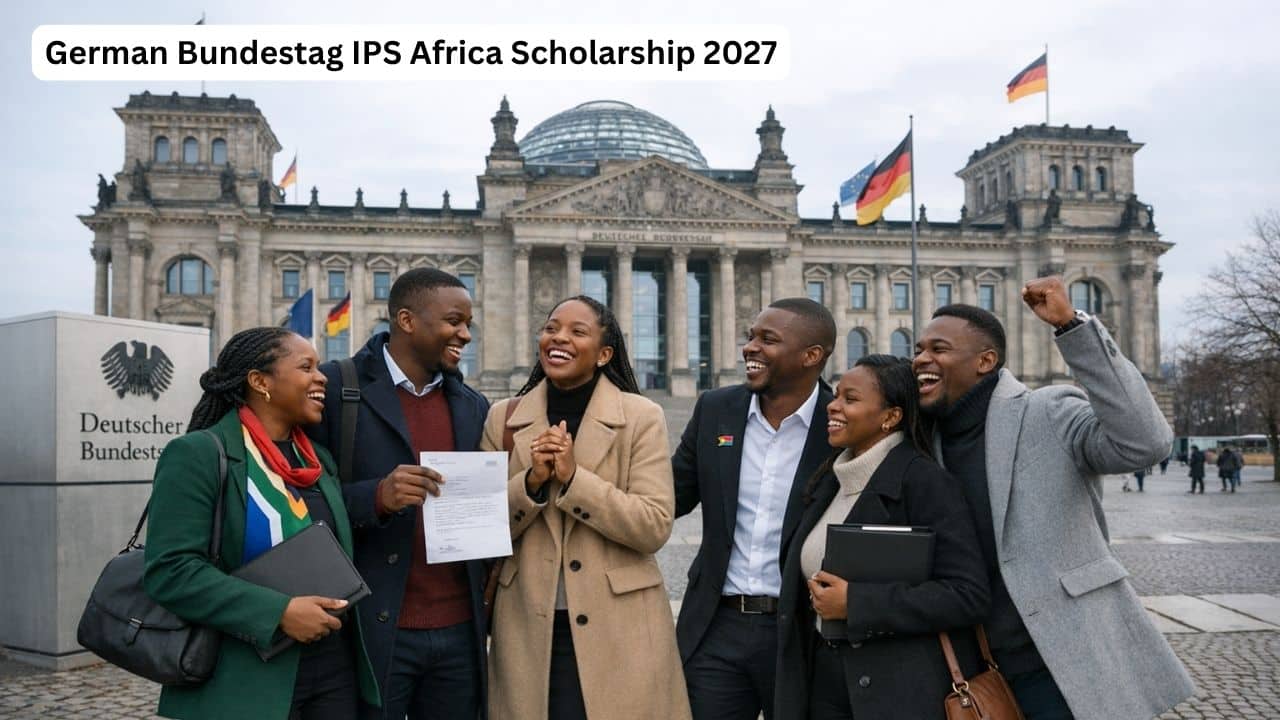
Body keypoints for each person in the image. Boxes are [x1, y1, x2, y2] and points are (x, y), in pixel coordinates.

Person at [912, 278, 1195, 720]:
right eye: (917, 349)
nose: (922, 359)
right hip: (970, 666)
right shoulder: (923, 436)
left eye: (939, 349)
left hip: (1060, 660)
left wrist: (1071, 327)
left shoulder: (1048, 411)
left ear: (985, 361)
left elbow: (1145, 444)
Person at [144, 327, 380, 719]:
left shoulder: (318, 461)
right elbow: (170, 571)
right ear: (259, 381)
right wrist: (279, 612)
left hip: (334, 671)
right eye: (306, 367)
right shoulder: (198, 454)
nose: (321, 377)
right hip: (244, 679)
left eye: (319, 367)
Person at [481, 296, 690, 720]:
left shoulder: (641, 417)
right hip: (527, 625)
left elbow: (653, 525)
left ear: (604, 353)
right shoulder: (503, 417)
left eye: (578, 332)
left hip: (621, 627)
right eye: (552, 328)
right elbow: (480, 527)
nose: (559, 338)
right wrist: (531, 484)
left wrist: (576, 481)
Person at [307, 268, 490, 719]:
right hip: (370, 628)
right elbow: (298, 500)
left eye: (467, 323)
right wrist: (376, 499)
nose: (465, 335)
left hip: (460, 631)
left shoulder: (473, 405)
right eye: (453, 321)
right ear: (407, 320)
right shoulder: (336, 390)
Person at [774, 355, 990, 720]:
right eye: (836, 394)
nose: (833, 405)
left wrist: (856, 602)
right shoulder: (830, 479)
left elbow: (967, 595)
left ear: (890, 417)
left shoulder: (924, 482)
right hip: (824, 680)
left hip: (898, 691)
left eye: (850, 399)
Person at [672, 298, 837, 720]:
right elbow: (666, 497)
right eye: (750, 337)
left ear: (811, 356)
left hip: (803, 631)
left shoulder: (842, 424)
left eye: (768, 339)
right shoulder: (715, 409)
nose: (750, 348)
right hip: (717, 628)